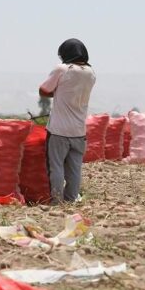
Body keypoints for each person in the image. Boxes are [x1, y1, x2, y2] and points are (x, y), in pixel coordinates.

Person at [39, 39, 96, 205]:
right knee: (75, 168)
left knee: (56, 167)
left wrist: (57, 93)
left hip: (58, 130)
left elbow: (43, 90)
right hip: (79, 131)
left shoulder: (62, 69)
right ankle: (71, 200)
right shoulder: (91, 73)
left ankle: (56, 201)